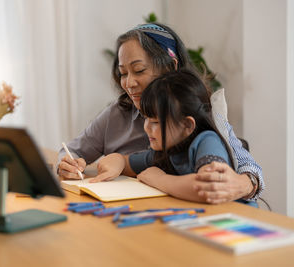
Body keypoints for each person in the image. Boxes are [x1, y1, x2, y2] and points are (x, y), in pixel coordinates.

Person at [57, 23, 263, 204]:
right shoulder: (117, 114)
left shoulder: (202, 119)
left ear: (170, 67)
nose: (129, 83)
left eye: (138, 70)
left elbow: (245, 165)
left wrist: (245, 183)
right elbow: (73, 151)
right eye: (123, 73)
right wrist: (69, 164)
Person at [91, 69, 256, 204]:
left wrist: (160, 179)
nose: (147, 127)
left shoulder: (207, 141)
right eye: (147, 118)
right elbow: (125, 162)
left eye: (155, 122)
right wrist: (115, 162)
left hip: (236, 222)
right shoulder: (166, 150)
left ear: (187, 125)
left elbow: (207, 188)